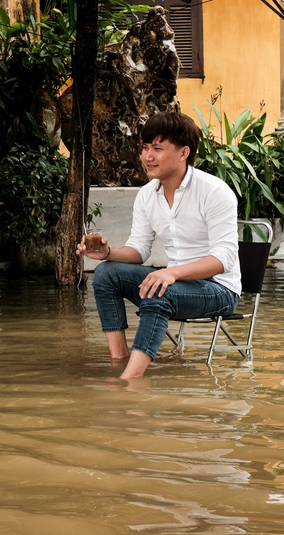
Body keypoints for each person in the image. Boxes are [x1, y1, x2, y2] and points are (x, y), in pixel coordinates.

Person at [78, 111, 241, 379]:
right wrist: (108, 253)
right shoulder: (147, 194)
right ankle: (119, 360)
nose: (147, 156)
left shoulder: (214, 191)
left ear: (183, 152)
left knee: (159, 288)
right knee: (106, 273)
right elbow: (139, 250)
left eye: (157, 148)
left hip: (218, 289)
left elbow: (224, 260)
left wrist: (172, 272)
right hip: (174, 284)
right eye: (145, 147)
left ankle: (129, 381)